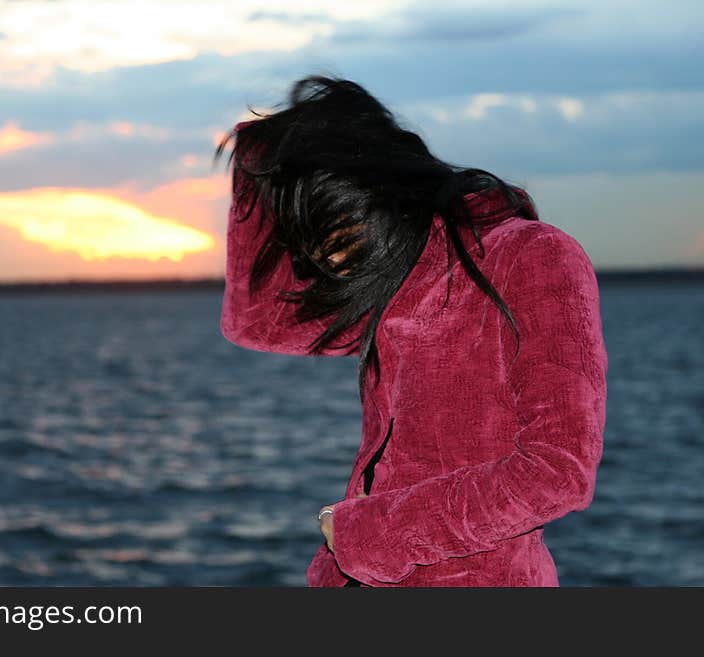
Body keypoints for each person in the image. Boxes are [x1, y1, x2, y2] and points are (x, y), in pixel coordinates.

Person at [213, 75, 608, 587]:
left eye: (336, 228)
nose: (329, 257)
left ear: (380, 187)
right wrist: (259, 152)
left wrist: (369, 534)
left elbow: (558, 471)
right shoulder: (390, 281)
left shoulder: (531, 255)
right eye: (314, 242)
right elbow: (254, 320)